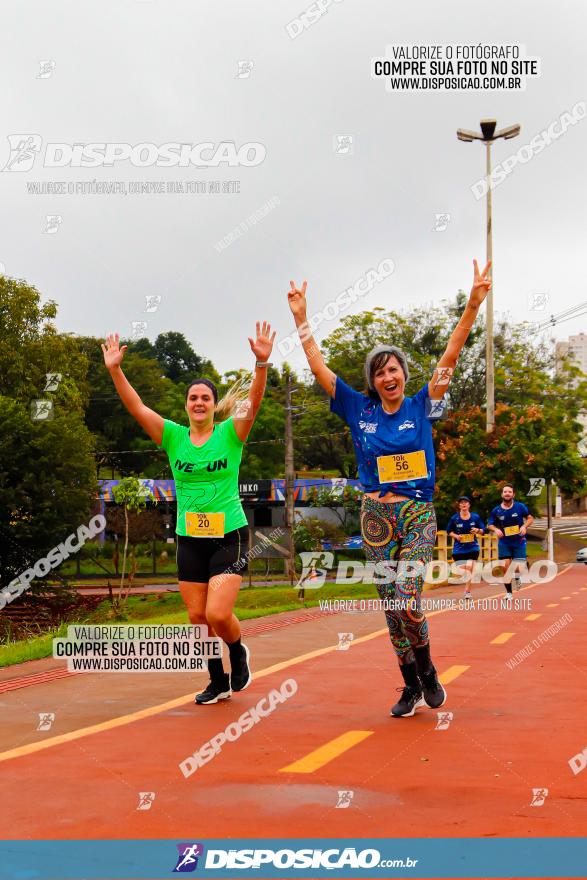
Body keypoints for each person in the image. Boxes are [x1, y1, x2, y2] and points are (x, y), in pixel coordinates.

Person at [287, 259, 492, 717]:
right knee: (390, 609)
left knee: (407, 597)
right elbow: (319, 367)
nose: (388, 377)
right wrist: (302, 320)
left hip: (417, 513)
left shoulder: (424, 404)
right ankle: (408, 686)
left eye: (393, 369)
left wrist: (474, 304)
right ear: (372, 381)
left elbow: (452, 355)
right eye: (379, 372)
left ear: (403, 372)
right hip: (375, 516)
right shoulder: (357, 408)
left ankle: (429, 670)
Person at [101, 322, 276, 704]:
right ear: (186, 405)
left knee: (217, 614)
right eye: (193, 397)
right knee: (197, 619)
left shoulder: (231, 434)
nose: (199, 402)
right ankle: (216, 681)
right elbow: (136, 406)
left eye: (205, 398)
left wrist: (261, 364)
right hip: (189, 538)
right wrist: (116, 369)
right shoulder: (174, 437)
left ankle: (238, 649)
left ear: (214, 405)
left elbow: (255, 402)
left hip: (228, 535)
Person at [487, 484, 534, 600]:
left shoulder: (520, 507)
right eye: (505, 492)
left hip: (519, 541)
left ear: (513, 494)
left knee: (518, 567)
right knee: (505, 567)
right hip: (505, 542)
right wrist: (496, 529)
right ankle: (509, 592)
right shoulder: (496, 510)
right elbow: (490, 524)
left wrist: (524, 526)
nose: (507, 493)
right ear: (502, 494)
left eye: (509, 492)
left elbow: (530, 518)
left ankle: (518, 576)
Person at [446, 496, 485, 601]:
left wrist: (477, 530)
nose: (463, 504)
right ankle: (467, 587)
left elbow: (483, 530)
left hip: (473, 548)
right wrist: (456, 536)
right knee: (464, 571)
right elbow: (449, 531)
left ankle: (467, 592)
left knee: (469, 567)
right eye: (461, 503)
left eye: (466, 502)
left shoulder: (475, 517)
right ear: (459, 505)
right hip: (459, 549)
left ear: (469, 505)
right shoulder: (454, 518)